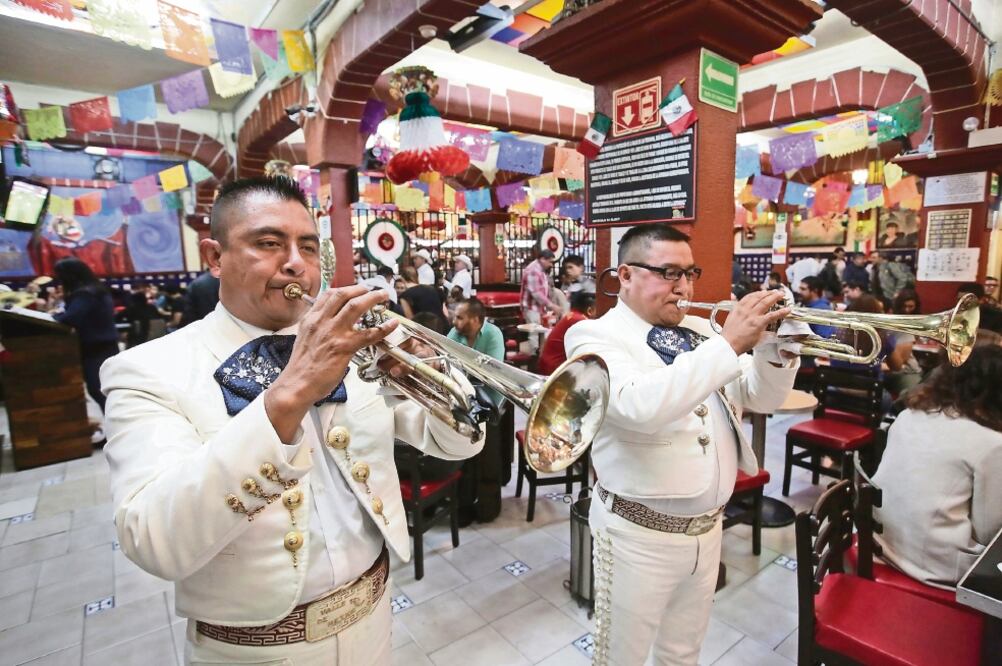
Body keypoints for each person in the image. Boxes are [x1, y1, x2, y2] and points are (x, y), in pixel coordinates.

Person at [101, 177, 483, 665]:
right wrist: (291, 391)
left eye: (307, 246)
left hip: (376, 616)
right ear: (214, 257)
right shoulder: (147, 371)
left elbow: (459, 444)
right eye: (268, 243)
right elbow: (153, 541)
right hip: (255, 651)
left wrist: (431, 375)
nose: (296, 263)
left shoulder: (354, 345)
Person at [565, 223, 797, 665]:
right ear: (626, 276)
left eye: (690, 274)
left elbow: (761, 396)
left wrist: (776, 350)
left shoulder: (702, 330)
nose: (684, 287)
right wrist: (730, 343)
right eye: (670, 273)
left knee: (683, 653)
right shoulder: (593, 336)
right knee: (622, 657)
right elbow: (638, 406)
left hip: (708, 530)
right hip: (636, 535)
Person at [872, 344, 1002, 589]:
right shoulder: (992, 444)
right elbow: (989, 533)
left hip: (882, 543)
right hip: (934, 566)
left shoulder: (910, 414)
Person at [446, 297, 505, 524]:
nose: (454, 321)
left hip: (490, 402)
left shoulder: (493, 334)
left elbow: (491, 371)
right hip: (465, 402)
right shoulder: (456, 333)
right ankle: (464, 506)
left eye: (460, 317)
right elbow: (445, 362)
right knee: (465, 456)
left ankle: (489, 508)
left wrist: (460, 368)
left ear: (476, 320)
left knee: (488, 460)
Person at [52, 257, 119, 411]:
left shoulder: (85, 294)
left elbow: (71, 318)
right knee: (106, 390)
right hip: (107, 344)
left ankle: (114, 431)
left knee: (99, 390)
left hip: (95, 348)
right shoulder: (97, 290)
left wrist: (54, 317)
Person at [537, 291, 595, 376]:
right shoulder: (580, 320)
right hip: (555, 369)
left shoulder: (572, 315)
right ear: (590, 310)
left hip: (548, 363)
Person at [519, 249, 561, 353]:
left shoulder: (539, 269)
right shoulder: (533, 270)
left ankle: (539, 355)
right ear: (542, 259)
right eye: (550, 261)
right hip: (531, 307)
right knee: (534, 333)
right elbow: (536, 293)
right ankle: (533, 358)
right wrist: (551, 305)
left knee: (541, 332)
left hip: (538, 308)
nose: (551, 264)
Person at [797, 275, 836, 340]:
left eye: (803, 289)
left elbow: (823, 337)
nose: (799, 292)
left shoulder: (822, 309)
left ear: (815, 291)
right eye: (800, 288)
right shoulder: (806, 305)